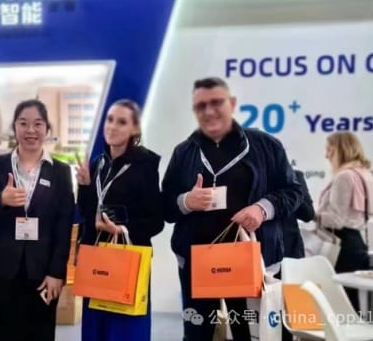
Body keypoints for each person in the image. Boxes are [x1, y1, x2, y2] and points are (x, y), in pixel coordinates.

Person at [161, 77, 303, 341]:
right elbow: (165, 207)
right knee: (197, 335)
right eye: (201, 106)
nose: (209, 111)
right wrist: (186, 202)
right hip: (197, 263)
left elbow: (294, 191)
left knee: (251, 334)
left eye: (216, 102)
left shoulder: (266, 145)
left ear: (232, 104)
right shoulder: (184, 153)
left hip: (250, 261)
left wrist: (262, 209)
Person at [0, 99, 74, 341]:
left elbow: (63, 227)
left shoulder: (60, 172)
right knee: (3, 334)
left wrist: (56, 272)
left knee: (41, 334)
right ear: (15, 127)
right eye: (23, 123)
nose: (31, 130)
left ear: (47, 128)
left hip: (43, 272)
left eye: (37, 124)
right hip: (2, 270)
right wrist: (0, 200)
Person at [76, 99, 164, 341]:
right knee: (96, 328)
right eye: (110, 119)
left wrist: (122, 229)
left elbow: (156, 221)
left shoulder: (145, 165)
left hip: (128, 259)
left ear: (134, 129)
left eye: (122, 122)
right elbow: (87, 212)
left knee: (125, 330)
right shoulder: (98, 163)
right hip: (97, 258)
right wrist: (84, 187)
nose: (113, 126)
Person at [317, 131, 373, 312]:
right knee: (351, 302)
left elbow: (336, 220)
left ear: (341, 149)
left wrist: (312, 215)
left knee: (341, 303)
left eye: (329, 150)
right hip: (357, 243)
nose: (326, 155)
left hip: (343, 246)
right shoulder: (363, 174)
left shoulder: (344, 176)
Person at [283, 170, 315, 259]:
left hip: (291, 250)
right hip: (258, 250)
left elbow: (308, 214)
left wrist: (295, 193)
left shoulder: (294, 176)